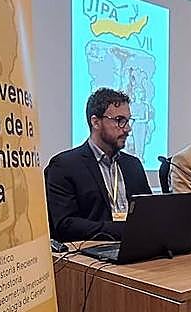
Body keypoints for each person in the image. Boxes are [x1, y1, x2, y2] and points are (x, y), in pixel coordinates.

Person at [44, 87, 152, 241]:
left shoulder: (133, 165)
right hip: (92, 254)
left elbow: (149, 212)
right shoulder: (64, 166)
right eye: (120, 121)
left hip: (137, 247)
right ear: (95, 122)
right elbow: (66, 225)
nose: (128, 129)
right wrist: (121, 230)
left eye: (128, 121)